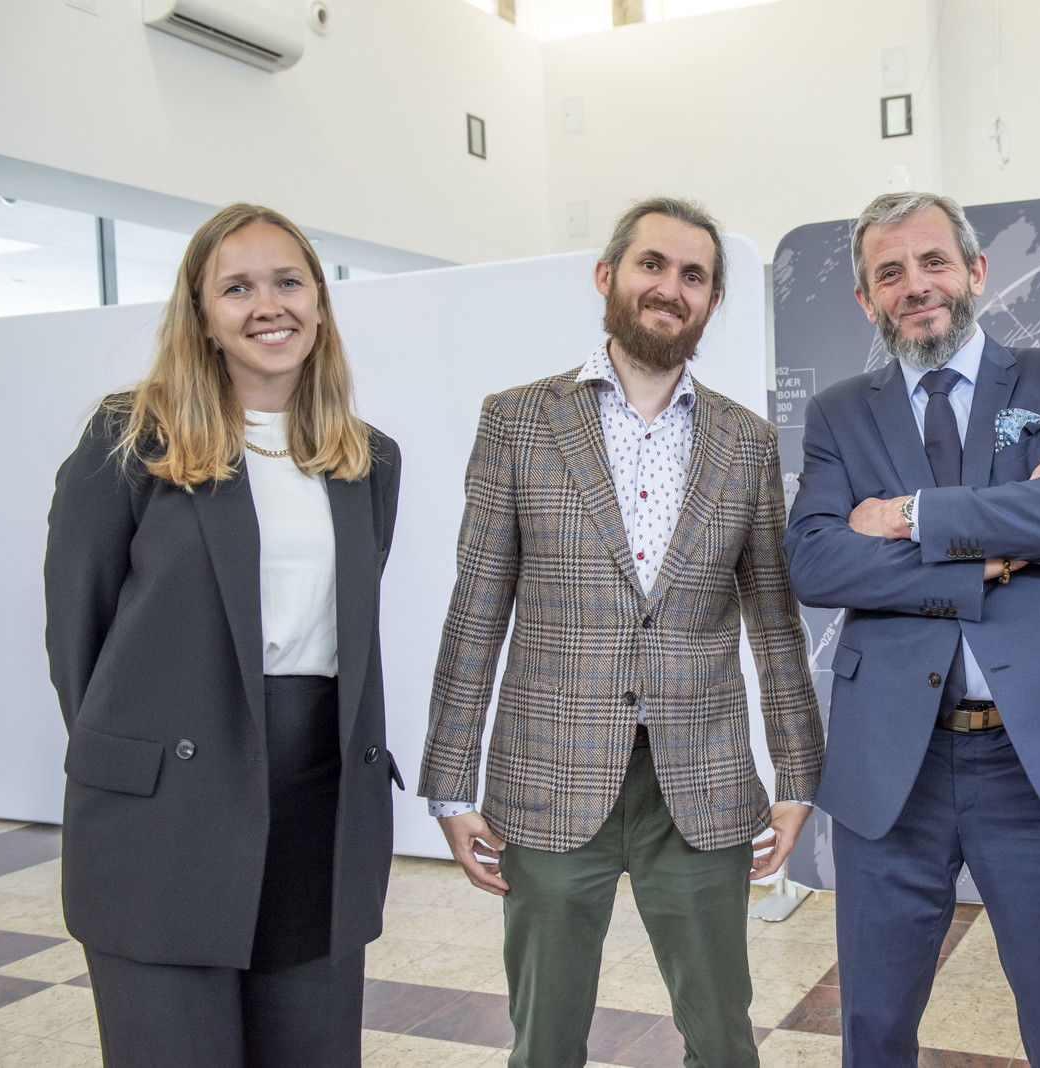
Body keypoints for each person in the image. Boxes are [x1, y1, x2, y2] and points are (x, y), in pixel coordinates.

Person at [418, 195, 824, 1068]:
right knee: (545, 1039)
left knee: (723, 1038)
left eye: (693, 276)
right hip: (548, 778)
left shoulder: (747, 441)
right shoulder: (518, 420)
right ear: (607, 276)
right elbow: (476, 610)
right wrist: (450, 785)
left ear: (712, 302)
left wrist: (799, 773)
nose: (670, 287)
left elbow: (775, 623)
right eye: (652, 264)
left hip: (702, 786)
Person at [782, 191, 1040, 1067]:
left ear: (975, 271)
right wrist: (992, 551)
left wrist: (907, 515)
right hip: (892, 766)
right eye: (889, 273)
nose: (915, 285)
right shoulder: (840, 411)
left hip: (1033, 758)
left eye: (933, 262)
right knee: (873, 1027)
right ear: (866, 299)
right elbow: (817, 564)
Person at [44, 203, 402, 1067]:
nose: (268, 305)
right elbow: (78, 633)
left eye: (288, 282)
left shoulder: (367, 459)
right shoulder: (131, 438)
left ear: (319, 302)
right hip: (166, 820)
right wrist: (138, 762)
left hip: (319, 814)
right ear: (202, 316)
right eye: (236, 288)